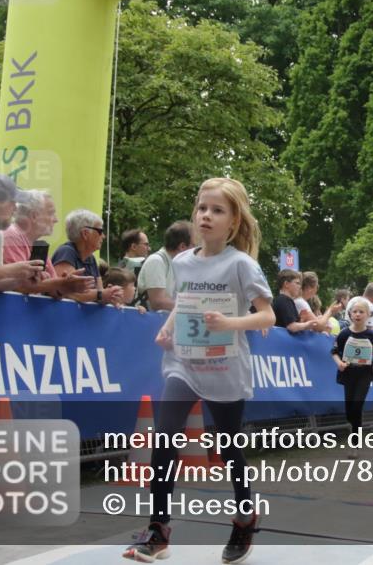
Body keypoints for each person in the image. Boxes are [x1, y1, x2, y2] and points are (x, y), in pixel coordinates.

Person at [123, 177, 275, 564]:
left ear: (234, 222)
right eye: (202, 208)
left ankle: (244, 518)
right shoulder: (181, 261)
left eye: (217, 210)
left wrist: (230, 324)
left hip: (225, 369)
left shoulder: (242, 265)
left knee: (228, 448)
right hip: (184, 364)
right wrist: (168, 326)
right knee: (165, 439)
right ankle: (158, 529)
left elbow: (267, 316)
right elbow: (185, 301)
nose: (206, 216)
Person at [1, 190, 95, 298]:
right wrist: (62, 283)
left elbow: (54, 290)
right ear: (34, 216)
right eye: (51, 213)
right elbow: (19, 286)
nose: (56, 219)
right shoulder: (11, 236)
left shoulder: (39, 246)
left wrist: (66, 283)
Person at [331, 296, 373, 458]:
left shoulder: (371, 335)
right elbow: (333, 351)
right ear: (350, 314)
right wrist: (339, 362)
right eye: (355, 311)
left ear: (368, 315)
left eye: (361, 312)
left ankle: (354, 443)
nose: (358, 314)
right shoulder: (344, 333)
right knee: (349, 410)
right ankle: (353, 427)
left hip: (364, 374)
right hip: (348, 373)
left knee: (357, 406)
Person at [136, 221, 192, 311]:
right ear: (182, 246)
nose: (198, 250)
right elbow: (158, 302)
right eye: (195, 245)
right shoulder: (156, 261)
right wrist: (193, 307)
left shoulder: (175, 264)